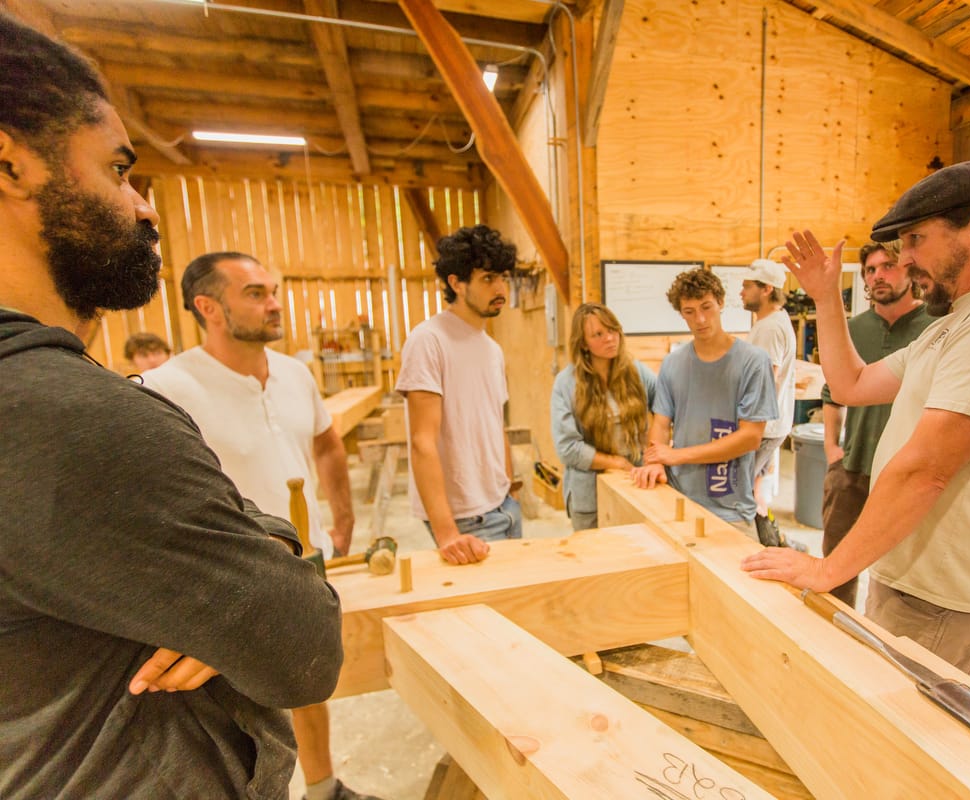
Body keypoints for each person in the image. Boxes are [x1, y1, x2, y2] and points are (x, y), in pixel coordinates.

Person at [0, 13, 342, 799]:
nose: (144, 205)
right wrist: (274, 548)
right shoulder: (79, 418)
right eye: (117, 169)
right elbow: (302, 644)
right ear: (10, 162)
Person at [742, 158, 970, 708]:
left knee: (919, 759)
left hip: (950, 596)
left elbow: (926, 469)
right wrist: (827, 296)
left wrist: (828, 569)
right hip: (916, 578)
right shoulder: (962, 320)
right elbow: (853, 383)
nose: (904, 259)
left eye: (915, 239)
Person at [141, 252, 373, 800]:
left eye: (273, 290)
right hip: (227, 581)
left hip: (301, 562)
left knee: (309, 679)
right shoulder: (166, 387)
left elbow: (326, 442)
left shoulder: (295, 373)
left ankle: (322, 788)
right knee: (239, 714)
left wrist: (341, 516)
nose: (274, 303)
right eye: (255, 293)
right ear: (208, 306)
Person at [397, 224, 521, 565]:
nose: (500, 289)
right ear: (456, 282)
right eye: (488, 279)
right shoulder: (429, 341)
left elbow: (496, 424)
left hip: (503, 506)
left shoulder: (491, 348)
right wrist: (447, 532)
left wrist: (508, 490)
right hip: (466, 519)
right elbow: (422, 442)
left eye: (503, 278)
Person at [819, 243, 932, 607]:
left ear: (910, 270)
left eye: (888, 266)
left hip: (907, 470)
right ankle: (833, 639)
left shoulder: (935, 328)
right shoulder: (852, 328)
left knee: (904, 577)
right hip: (853, 467)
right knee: (835, 568)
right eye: (870, 270)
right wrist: (832, 449)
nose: (877, 276)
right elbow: (832, 393)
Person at [632, 268, 777, 538]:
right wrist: (655, 461)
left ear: (721, 303)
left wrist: (675, 455)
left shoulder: (753, 362)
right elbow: (661, 424)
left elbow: (750, 438)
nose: (699, 319)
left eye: (706, 307)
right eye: (689, 312)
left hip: (730, 507)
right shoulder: (673, 364)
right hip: (679, 500)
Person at [551, 303, 657, 530]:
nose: (609, 338)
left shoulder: (638, 373)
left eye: (612, 330)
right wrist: (617, 463)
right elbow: (568, 448)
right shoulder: (567, 383)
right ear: (583, 343)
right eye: (598, 334)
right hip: (589, 496)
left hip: (635, 486)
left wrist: (655, 455)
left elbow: (667, 412)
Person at [740, 258, 797, 546]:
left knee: (742, 491)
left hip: (764, 427)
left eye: (747, 287)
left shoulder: (770, 328)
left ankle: (770, 548)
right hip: (769, 425)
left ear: (766, 289)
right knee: (755, 490)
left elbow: (764, 381)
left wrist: (743, 423)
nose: (741, 292)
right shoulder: (768, 322)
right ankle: (776, 544)